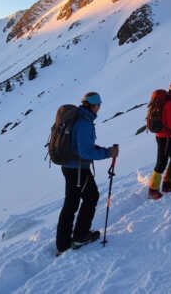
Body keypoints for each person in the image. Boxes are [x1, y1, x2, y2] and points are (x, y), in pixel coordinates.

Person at [56, 92, 119, 255]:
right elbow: (85, 151)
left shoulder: (79, 118)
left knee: (72, 202)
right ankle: (80, 236)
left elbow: (83, 147)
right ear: (93, 105)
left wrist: (106, 151)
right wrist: (108, 153)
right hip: (78, 169)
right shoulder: (84, 122)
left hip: (71, 166)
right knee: (89, 197)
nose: (99, 108)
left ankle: (63, 242)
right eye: (99, 105)